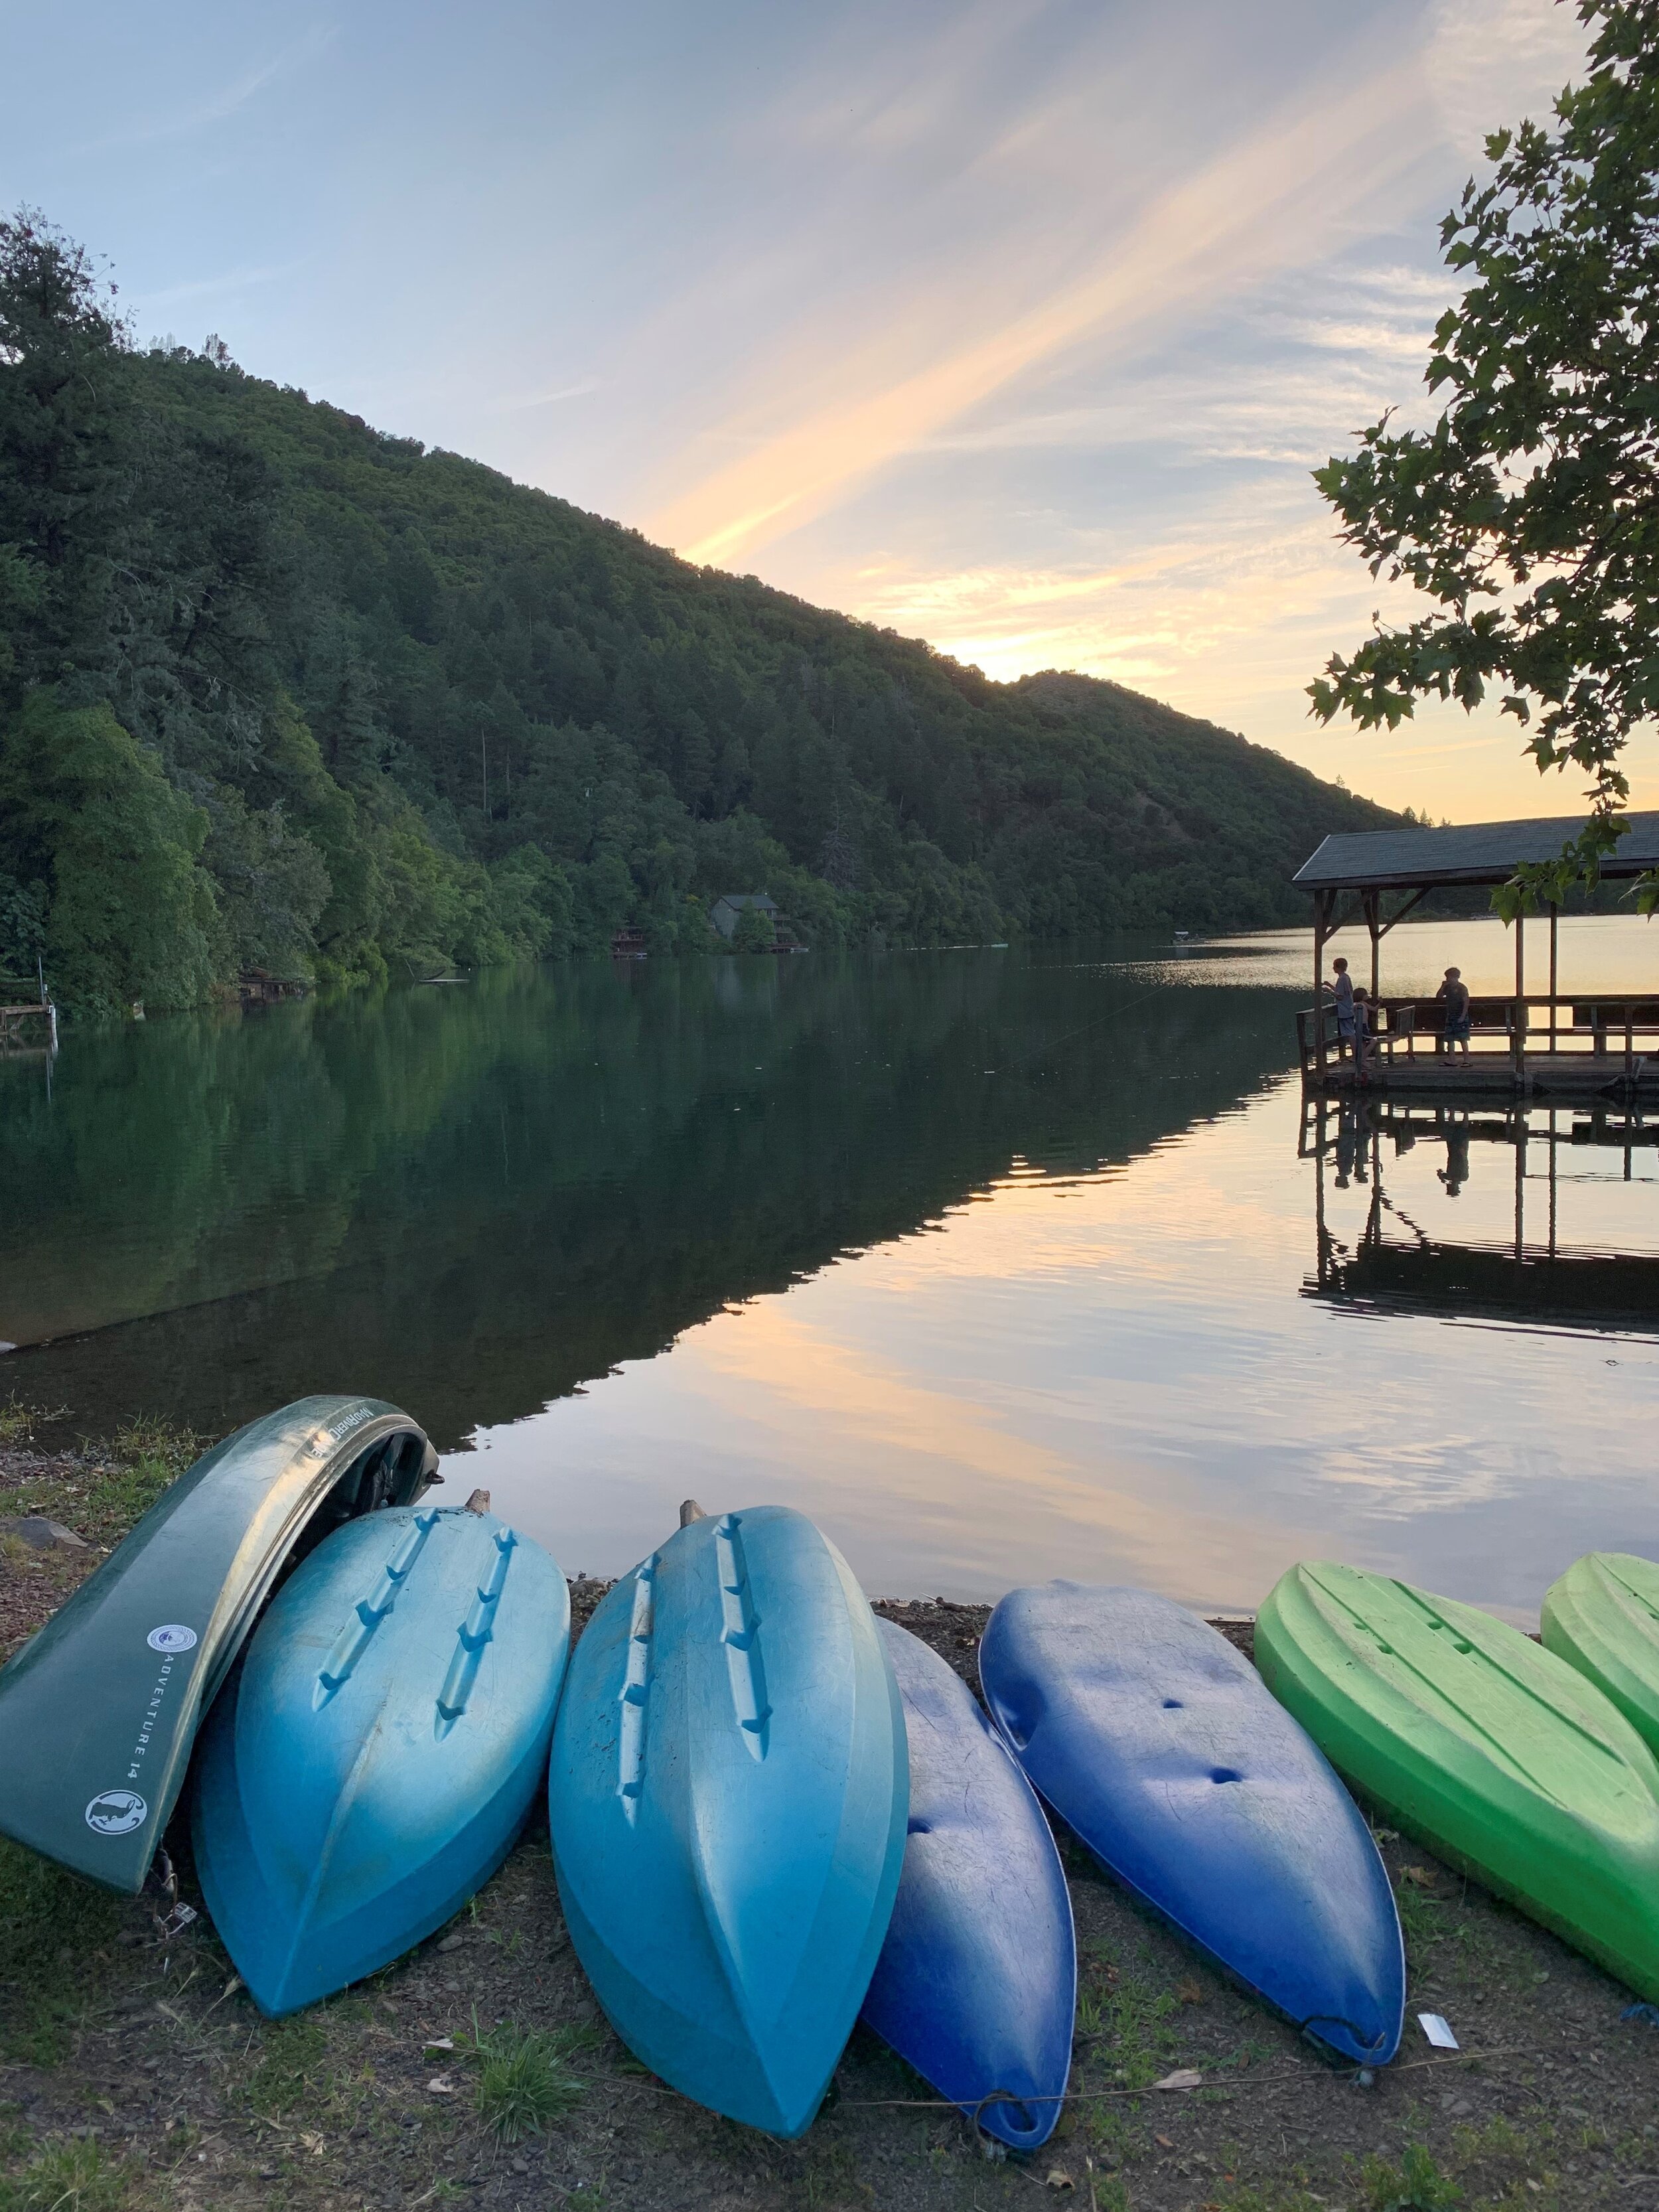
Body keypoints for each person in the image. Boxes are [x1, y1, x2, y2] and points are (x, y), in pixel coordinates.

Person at [1323, 956, 1357, 1058]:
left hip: (1345, 1011)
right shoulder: (1346, 977)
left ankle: (1356, 1056)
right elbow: (1341, 992)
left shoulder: (1342, 979)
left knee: (1350, 1034)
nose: (1333, 968)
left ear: (1338, 968)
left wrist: (1328, 991)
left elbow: (1340, 996)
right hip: (1349, 1009)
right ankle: (1356, 1055)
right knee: (1351, 1033)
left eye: (1334, 967)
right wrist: (1329, 986)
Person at [1435, 966, 1472, 1055]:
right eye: (1447, 977)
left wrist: (1463, 1016)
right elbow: (1438, 997)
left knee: (1463, 1038)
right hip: (1450, 1015)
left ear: (1456, 977)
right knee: (1450, 1038)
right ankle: (1452, 1060)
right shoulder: (1447, 988)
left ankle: (1466, 1060)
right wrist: (1442, 986)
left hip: (1460, 1015)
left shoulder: (1462, 988)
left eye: (1449, 977)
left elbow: (1466, 1002)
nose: (1448, 979)